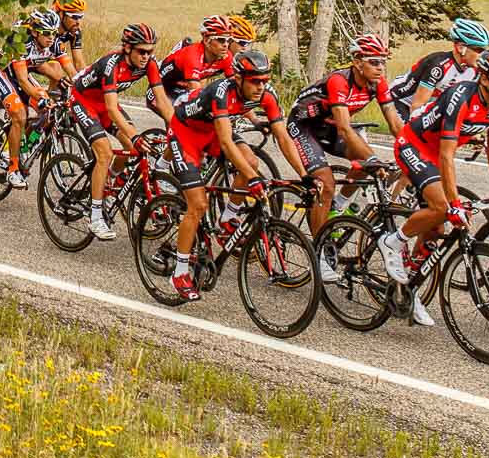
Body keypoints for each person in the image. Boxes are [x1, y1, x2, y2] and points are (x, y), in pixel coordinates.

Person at [381, 47, 489, 327]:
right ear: (484, 79)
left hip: (435, 154)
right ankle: (392, 241)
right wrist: (454, 203)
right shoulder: (461, 97)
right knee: (443, 207)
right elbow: (446, 155)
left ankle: (410, 287)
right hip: (415, 145)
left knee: (436, 230)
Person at [163, 48, 306, 300]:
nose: (261, 86)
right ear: (238, 78)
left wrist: (305, 175)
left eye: (265, 80)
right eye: (255, 81)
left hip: (214, 131)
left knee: (251, 160)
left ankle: (227, 219)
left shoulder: (266, 95)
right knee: (197, 205)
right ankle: (180, 272)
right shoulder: (221, 92)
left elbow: (283, 136)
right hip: (186, 132)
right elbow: (227, 144)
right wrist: (252, 178)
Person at [287, 34, 402, 241]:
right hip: (305, 125)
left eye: (383, 62)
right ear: (358, 62)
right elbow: (345, 130)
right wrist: (373, 158)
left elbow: (394, 124)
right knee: (326, 183)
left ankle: (338, 207)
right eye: (374, 62)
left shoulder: (378, 83)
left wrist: (411, 149)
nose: (380, 68)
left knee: (366, 162)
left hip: (329, 126)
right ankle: (319, 249)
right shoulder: (339, 81)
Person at [68, 23, 173, 241]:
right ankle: (95, 216)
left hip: (105, 105)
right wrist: (134, 135)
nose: (147, 56)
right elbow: (111, 108)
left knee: (131, 147)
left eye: (151, 51)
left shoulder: (150, 64)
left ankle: (109, 183)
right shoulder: (111, 65)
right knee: (105, 153)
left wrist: (178, 127)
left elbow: (162, 100)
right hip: (84, 101)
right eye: (142, 51)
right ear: (127, 48)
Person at [0, 10, 70, 189]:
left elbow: (70, 70)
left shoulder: (54, 43)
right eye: (46, 33)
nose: (51, 37)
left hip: (26, 69)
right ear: (35, 32)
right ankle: (13, 169)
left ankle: (23, 144)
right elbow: (23, 81)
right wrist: (39, 98)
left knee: (48, 111)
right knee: (19, 115)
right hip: (5, 73)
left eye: (54, 33)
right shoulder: (21, 42)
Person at [387, 17, 489, 124]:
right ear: (461, 47)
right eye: (479, 50)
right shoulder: (438, 66)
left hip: (428, 105)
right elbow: (417, 107)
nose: (483, 55)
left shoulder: (475, 72)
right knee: (408, 137)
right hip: (400, 99)